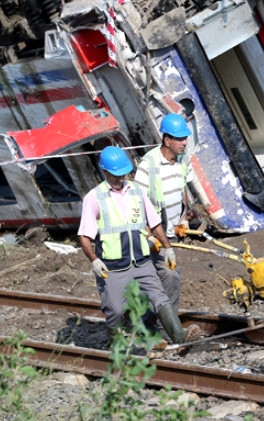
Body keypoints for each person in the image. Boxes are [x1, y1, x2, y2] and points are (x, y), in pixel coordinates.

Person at [78, 146, 201, 346]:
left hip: (142, 262)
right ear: (105, 171)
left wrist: (168, 247)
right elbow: (84, 235)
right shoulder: (94, 198)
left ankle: (179, 337)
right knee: (116, 311)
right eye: (116, 175)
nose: (121, 179)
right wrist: (94, 260)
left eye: (123, 174)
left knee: (160, 298)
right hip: (114, 267)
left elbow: (154, 222)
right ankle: (117, 347)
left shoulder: (136, 191)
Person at [134, 113, 193, 335]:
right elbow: (137, 202)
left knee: (159, 279)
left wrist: (184, 218)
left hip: (172, 233)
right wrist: (148, 234)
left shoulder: (183, 160)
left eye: (185, 138)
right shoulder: (149, 164)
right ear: (166, 140)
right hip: (153, 236)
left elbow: (183, 190)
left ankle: (147, 321)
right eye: (180, 139)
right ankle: (170, 331)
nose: (185, 142)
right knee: (170, 276)